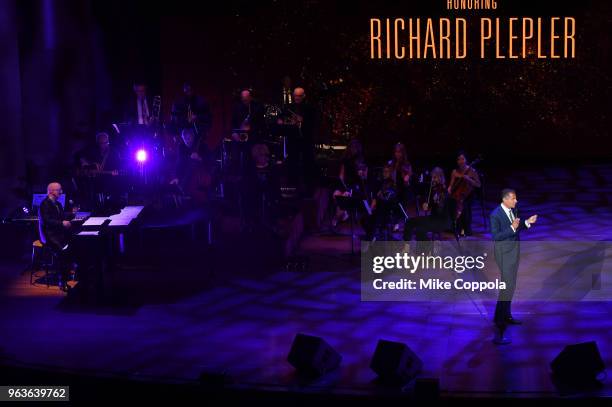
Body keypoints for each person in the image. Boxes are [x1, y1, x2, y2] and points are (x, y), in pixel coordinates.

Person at [490, 188, 538, 345]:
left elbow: (516, 228)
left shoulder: (514, 210)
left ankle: (506, 316)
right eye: (513, 199)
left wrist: (526, 223)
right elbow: (496, 237)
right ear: (505, 199)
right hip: (504, 255)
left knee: (510, 287)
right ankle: (499, 324)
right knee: (506, 288)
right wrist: (511, 228)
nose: (516, 201)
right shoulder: (495, 215)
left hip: (514, 252)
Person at [38, 182, 74, 289]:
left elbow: (62, 216)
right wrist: (62, 223)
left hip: (58, 234)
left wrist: (73, 213)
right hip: (50, 236)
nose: (61, 192)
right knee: (63, 250)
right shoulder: (45, 204)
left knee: (74, 244)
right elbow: (47, 221)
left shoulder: (57, 204)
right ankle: (62, 281)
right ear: (51, 191)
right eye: (59, 190)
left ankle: (69, 273)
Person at [403, 167, 452, 242]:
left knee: (420, 230)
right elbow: (432, 204)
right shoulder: (434, 189)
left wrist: (440, 199)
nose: (432, 180)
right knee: (409, 221)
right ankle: (406, 247)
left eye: (435, 177)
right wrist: (427, 205)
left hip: (442, 220)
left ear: (440, 178)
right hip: (433, 218)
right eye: (432, 177)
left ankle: (427, 250)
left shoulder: (444, 190)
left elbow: (440, 208)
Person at [448, 151, 481, 236]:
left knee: (464, 207)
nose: (461, 161)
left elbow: (478, 184)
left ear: (466, 160)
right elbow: (451, 184)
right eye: (459, 159)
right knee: (451, 203)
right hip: (458, 194)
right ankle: (455, 227)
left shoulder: (471, 171)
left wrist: (469, 179)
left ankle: (465, 229)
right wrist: (449, 188)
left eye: (462, 159)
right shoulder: (454, 171)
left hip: (468, 194)